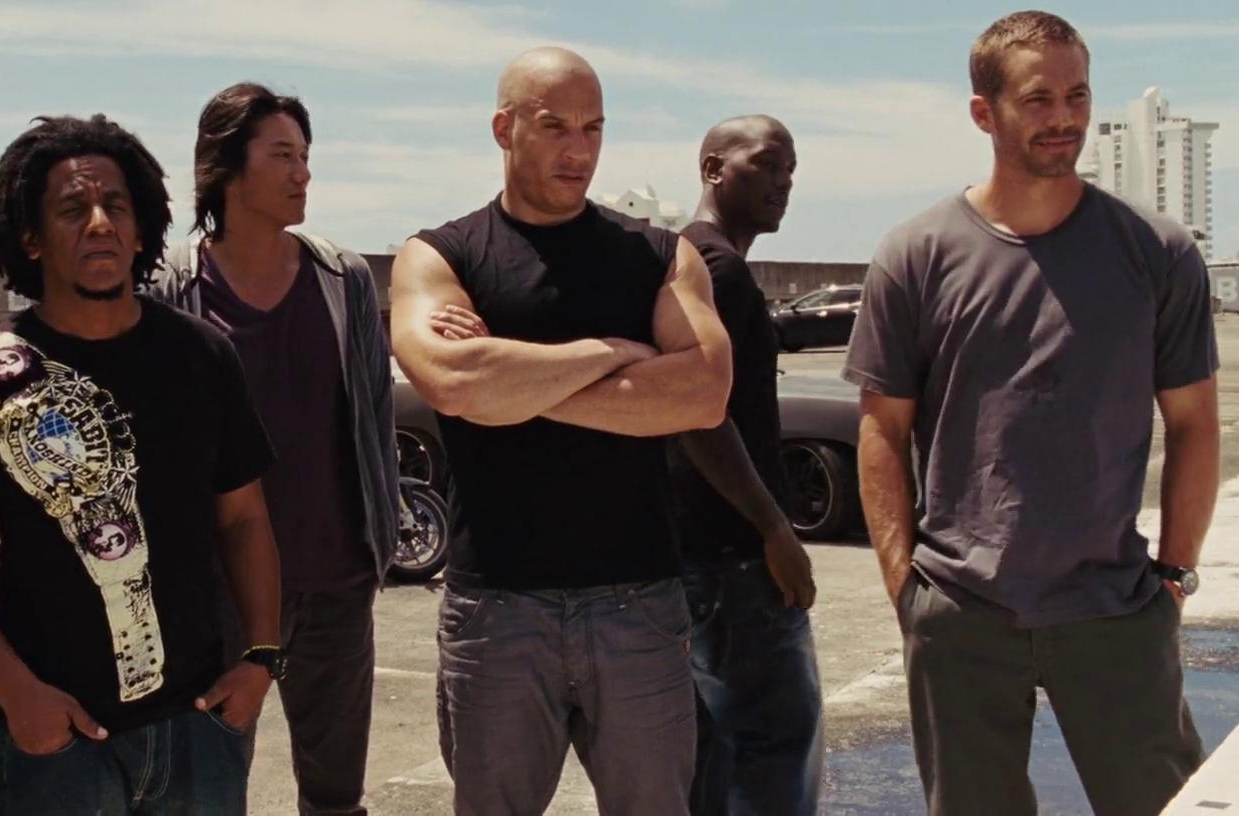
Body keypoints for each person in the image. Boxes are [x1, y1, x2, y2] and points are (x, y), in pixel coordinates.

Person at [845, 11, 1218, 815]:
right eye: (1038, 99)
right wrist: (907, 589)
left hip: (1116, 609)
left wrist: (1175, 578)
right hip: (962, 613)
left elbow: (1195, 423)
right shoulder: (916, 255)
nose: (1064, 118)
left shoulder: (1156, 251)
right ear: (984, 113)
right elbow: (882, 431)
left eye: (1077, 95)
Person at [390, 47, 733, 814]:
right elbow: (452, 381)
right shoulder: (441, 255)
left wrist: (510, 384)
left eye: (593, 128)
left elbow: (705, 391)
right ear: (503, 128)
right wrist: (611, 353)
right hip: (497, 610)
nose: (579, 150)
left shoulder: (660, 254)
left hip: (638, 604)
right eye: (555, 127)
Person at [0, 114, 284, 814]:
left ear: (141, 230)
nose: (100, 223)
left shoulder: (203, 357)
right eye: (72, 209)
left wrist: (262, 659)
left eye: (116, 205)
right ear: (31, 237)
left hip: (198, 726)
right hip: (56, 744)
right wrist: (17, 694)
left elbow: (244, 519)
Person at [147, 81, 397, 816]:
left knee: (335, 796)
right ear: (226, 167)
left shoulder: (342, 278)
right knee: (204, 794)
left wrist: (378, 543)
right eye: (283, 155)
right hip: (218, 592)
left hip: (335, 580)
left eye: (306, 156)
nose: (303, 173)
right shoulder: (170, 288)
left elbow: (373, 416)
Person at [667, 114, 822, 816]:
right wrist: (773, 529)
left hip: (698, 561)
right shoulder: (717, 270)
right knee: (772, 749)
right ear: (713, 169)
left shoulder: (685, 259)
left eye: (790, 169)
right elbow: (700, 413)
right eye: (766, 164)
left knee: (716, 758)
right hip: (734, 563)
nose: (783, 182)